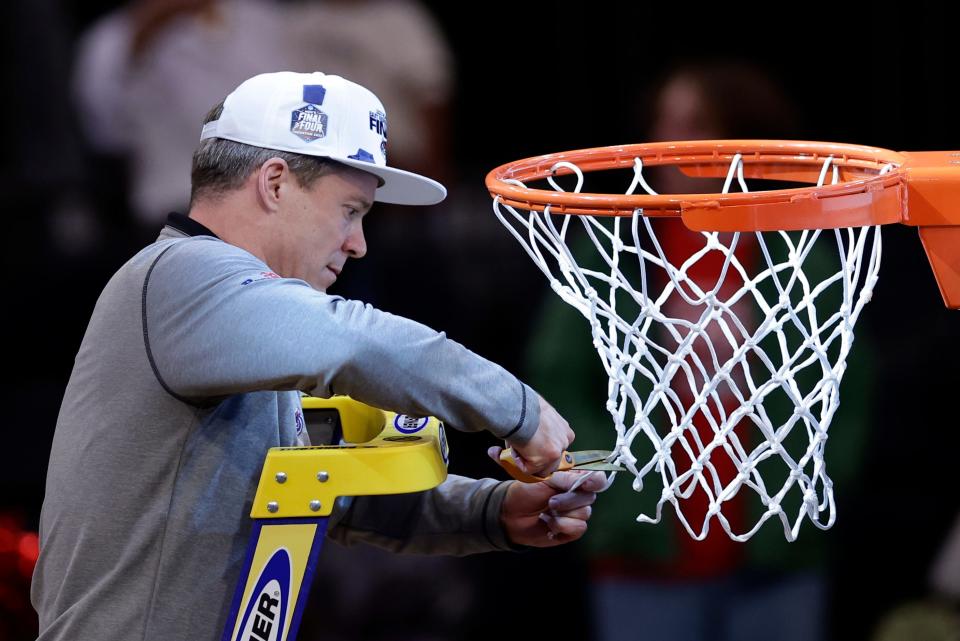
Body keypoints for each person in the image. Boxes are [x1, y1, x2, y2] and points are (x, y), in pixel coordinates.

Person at [31, 70, 604, 641]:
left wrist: (493, 511)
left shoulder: (235, 325)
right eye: (350, 210)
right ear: (275, 184)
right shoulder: (182, 276)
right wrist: (520, 410)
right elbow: (356, 341)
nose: (358, 243)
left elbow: (319, 495)